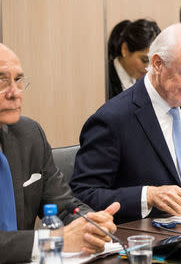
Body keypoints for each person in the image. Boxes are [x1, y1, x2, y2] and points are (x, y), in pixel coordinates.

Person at [70, 24, 181, 224]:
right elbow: (82, 196)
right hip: (149, 241)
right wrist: (147, 197)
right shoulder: (113, 119)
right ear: (158, 64)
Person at [0, 44, 119, 263]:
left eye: (18, 80)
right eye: (1, 81)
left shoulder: (29, 135)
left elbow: (65, 206)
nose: (14, 93)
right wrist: (55, 240)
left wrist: (91, 223)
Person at [107, 19, 161, 99]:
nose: (148, 68)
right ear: (125, 49)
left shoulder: (149, 81)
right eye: (144, 60)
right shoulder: (105, 80)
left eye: (154, 62)